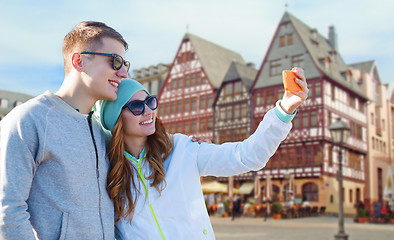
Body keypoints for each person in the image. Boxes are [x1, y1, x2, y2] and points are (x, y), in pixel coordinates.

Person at [98, 68, 307, 240]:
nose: (148, 111)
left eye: (150, 102)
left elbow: (246, 156)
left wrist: (284, 111)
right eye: (136, 106)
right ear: (115, 119)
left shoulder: (182, 149)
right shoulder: (107, 168)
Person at [0, 21, 130, 239]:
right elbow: (7, 209)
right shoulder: (28, 120)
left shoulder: (102, 131)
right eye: (115, 62)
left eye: (126, 63)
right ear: (79, 61)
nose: (124, 73)